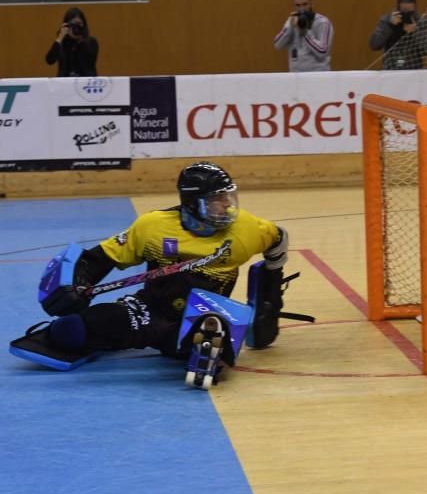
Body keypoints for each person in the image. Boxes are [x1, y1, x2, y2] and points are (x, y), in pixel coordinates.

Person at [8, 162, 303, 387]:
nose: (227, 206)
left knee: (206, 332)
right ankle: (115, 338)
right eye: (218, 200)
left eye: (229, 197)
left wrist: (270, 294)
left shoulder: (248, 228)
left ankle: (208, 343)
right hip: (148, 308)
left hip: (202, 310)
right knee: (70, 330)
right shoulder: (152, 226)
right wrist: (76, 285)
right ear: (192, 203)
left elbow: (279, 239)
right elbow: (99, 258)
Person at [369, 0, 427, 70]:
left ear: (415, 10)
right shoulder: (387, 20)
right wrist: (390, 26)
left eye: (411, 12)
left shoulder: (420, 21)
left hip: (414, 67)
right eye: (404, 11)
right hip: (391, 67)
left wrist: (416, 32)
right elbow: (374, 45)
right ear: (397, 10)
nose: (407, 15)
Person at [273, 0, 333, 72]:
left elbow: (322, 52)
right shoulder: (292, 21)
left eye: (305, 4)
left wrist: (305, 32)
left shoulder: (323, 22)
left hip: (318, 76)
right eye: (298, 5)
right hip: (296, 77)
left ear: (311, 4)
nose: (302, 9)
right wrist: (290, 27)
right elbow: (277, 45)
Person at [45, 7, 99, 77]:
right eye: (72, 24)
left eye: (79, 24)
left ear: (84, 25)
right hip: (65, 83)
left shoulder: (91, 42)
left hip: (85, 83)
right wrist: (60, 38)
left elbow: (87, 63)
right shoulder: (63, 43)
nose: (76, 27)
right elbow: (50, 60)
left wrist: (81, 41)